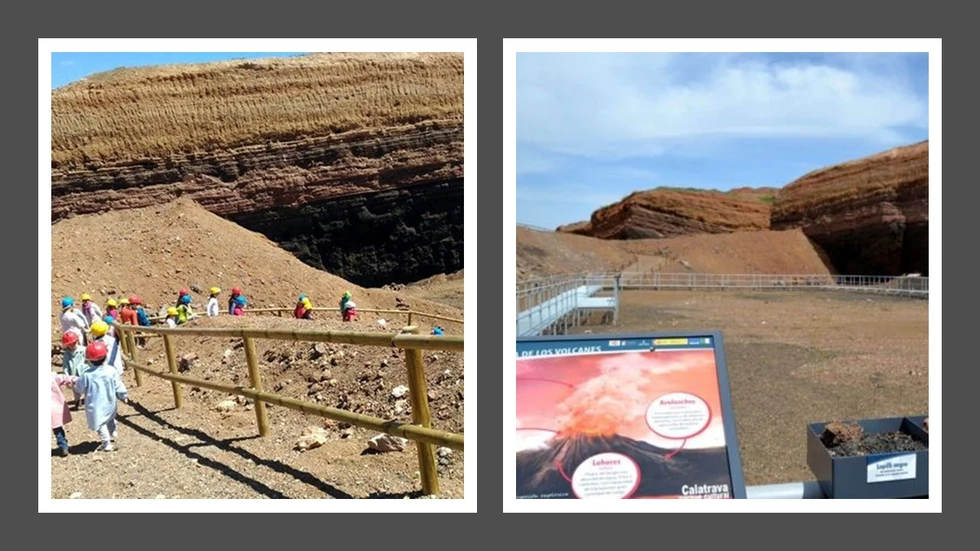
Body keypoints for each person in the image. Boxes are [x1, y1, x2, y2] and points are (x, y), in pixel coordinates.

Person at [73, 340, 129, 452]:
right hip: (110, 401)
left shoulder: (86, 374)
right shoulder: (111, 370)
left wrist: (76, 386)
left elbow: (79, 388)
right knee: (110, 416)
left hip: (95, 404)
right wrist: (123, 395)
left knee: (100, 423)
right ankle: (113, 431)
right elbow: (118, 384)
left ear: (89, 360)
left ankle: (106, 443)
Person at [51, 371, 77, 457]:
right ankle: (63, 446)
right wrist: (75, 379)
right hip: (53, 410)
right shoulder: (52, 377)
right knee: (58, 430)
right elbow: (64, 378)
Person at [61, 332, 86, 409]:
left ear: (77, 341)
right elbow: (65, 365)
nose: (72, 346)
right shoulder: (67, 354)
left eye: (74, 343)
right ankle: (77, 402)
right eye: (70, 344)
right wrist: (67, 375)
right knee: (75, 390)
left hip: (84, 372)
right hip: (73, 374)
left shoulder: (83, 350)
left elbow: (89, 361)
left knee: (87, 388)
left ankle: (88, 401)